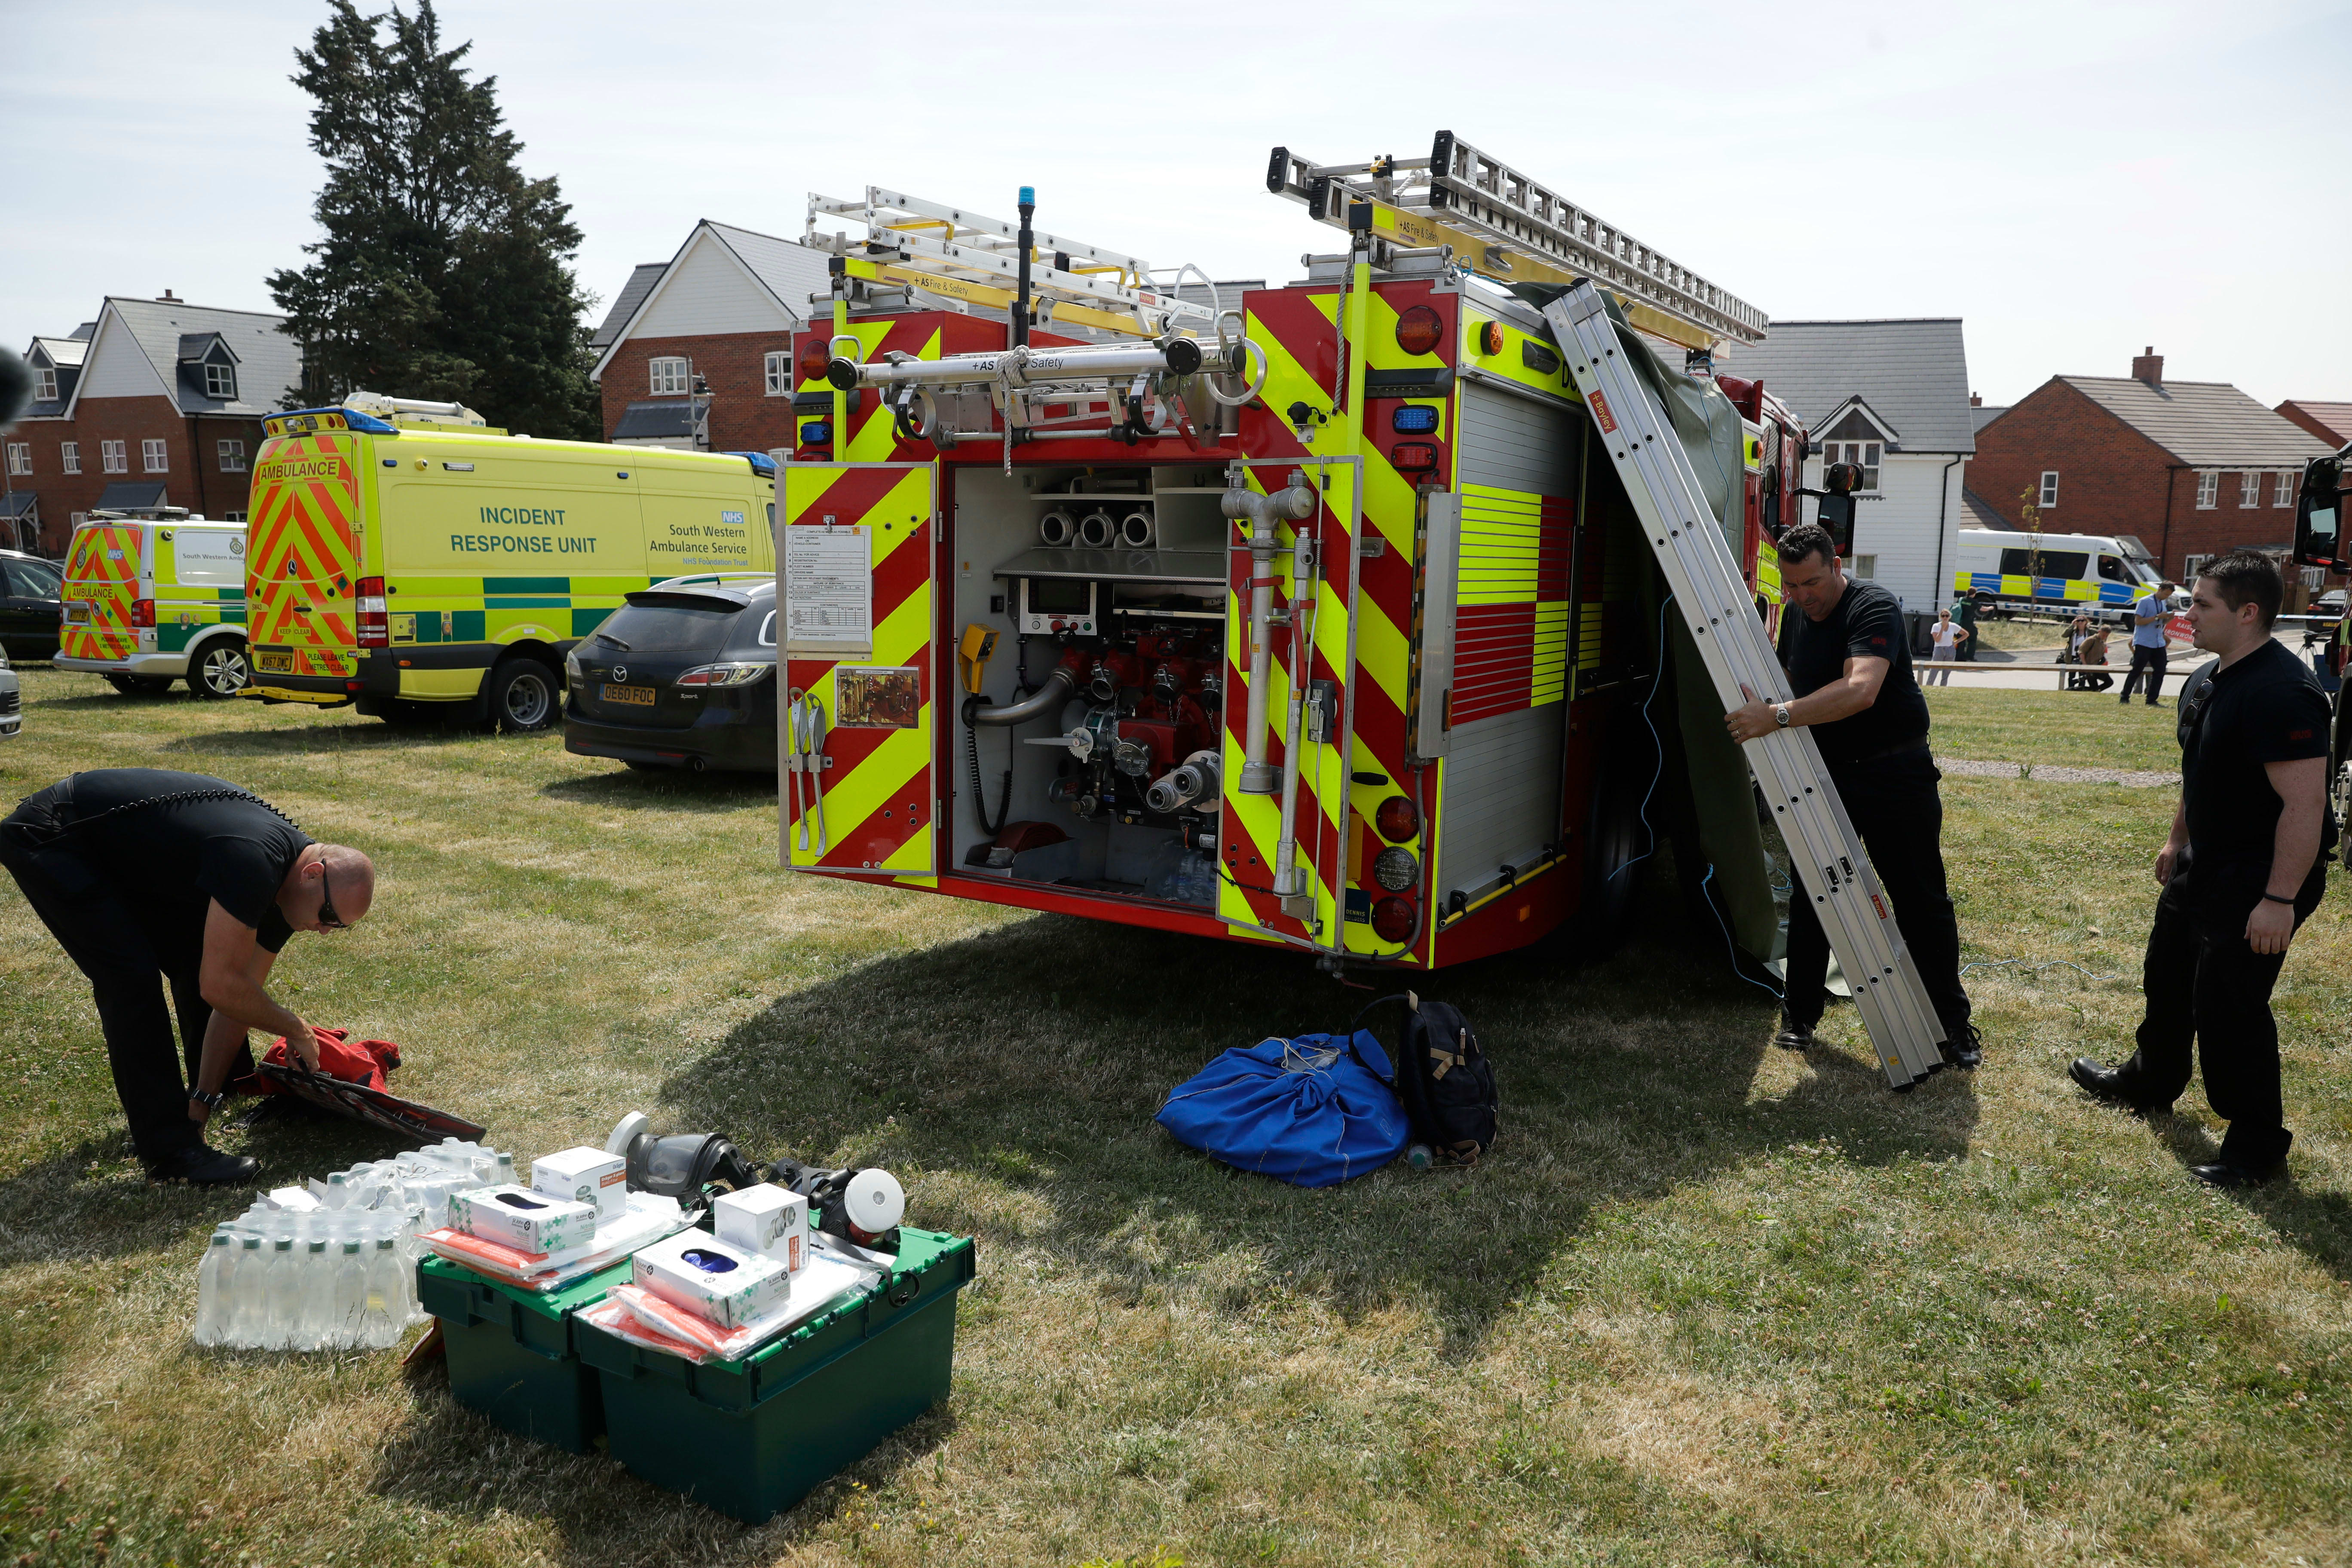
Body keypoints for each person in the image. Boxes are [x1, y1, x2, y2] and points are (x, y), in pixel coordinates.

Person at [2070, 553, 2333, 1185]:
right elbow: (2201, 771)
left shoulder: (2283, 693)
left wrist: (2279, 899)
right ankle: (2150, 1080)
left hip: (2260, 876)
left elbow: (2304, 805)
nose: (2187, 614)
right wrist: (2176, 840)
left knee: (2230, 1007)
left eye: (2202, 604)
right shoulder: (2208, 678)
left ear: (2248, 613)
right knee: (2166, 974)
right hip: (2204, 861)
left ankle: (2256, 1149)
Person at [0, 769, 377, 1184]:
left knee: (201, 958)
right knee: (131, 979)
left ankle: (210, 1096)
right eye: (329, 916)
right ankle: (171, 1154)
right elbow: (220, 987)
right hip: (55, 835)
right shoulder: (254, 862)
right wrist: (295, 1028)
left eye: (338, 926)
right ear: (313, 874)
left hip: (113, 846)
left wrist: (202, 1101)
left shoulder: (290, 892)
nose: (325, 930)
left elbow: (236, 998)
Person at [1724, 525, 1979, 1068]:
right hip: (1827, 774)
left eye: (1812, 583)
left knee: (1920, 900)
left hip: (1895, 774)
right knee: (1813, 895)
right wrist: (1761, 700)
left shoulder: (1873, 606)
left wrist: (1777, 716)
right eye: (1792, 586)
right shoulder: (1797, 614)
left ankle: (1952, 1026)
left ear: (1837, 567)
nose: (1802, 596)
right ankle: (1800, 1017)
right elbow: (1791, 678)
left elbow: (1860, 690)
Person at [2119, 581, 2177, 705]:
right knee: (2137, 670)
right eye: (2165, 594)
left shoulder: (2162, 602)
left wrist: (2169, 619)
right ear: (2160, 589)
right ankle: (2124, 696)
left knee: (2160, 670)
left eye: (2169, 595)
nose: (2166, 597)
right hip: (2144, 642)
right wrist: (2157, 617)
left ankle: (2151, 699)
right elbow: (2138, 622)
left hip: (2158, 642)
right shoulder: (2145, 601)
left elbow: (2161, 622)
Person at [1923, 607, 1967, 686]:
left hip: (1950, 649)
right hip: (1939, 649)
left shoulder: (1953, 626)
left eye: (1947, 616)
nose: (1945, 618)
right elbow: (1937, 640)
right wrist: (1942, 629)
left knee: (1947, 671)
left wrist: (1956, 642)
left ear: (1950, 617)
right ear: (1941, 617)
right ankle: (1929, 686)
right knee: (1934, 670)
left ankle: (1943, 687)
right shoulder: (1936, 626)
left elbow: (1966, 634)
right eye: (1943, 616)